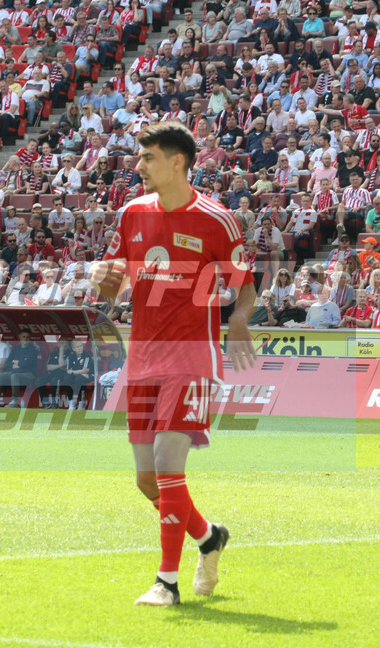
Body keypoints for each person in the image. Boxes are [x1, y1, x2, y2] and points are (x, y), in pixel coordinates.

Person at [87, 121, 256, 607]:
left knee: (165, 465)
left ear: (177, 162)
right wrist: (102, 276)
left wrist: (240, 321)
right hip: (141, 357)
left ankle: (167, 582)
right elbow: (114, 286)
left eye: (148, 158)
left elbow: (244, 284)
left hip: (190, 358)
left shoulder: (215, 219)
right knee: (146, 480)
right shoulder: (132, 213)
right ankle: (207, 537)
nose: (138, 166)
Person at [0, 329, 38, 408]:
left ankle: (14, 401)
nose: (25, 339)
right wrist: (19, 363)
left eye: (27, 337)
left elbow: (27, 363)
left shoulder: (32, 350)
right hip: (15, 372)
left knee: (14, 376)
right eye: (23, 337)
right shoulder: (16, 348)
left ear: (30, 338)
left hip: (28, 375)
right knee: (0, 376)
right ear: (20, 337)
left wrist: (17, 363)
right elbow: (8, 363)